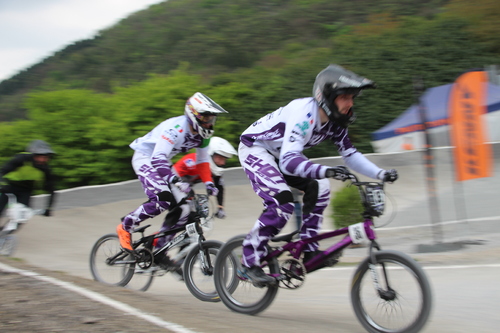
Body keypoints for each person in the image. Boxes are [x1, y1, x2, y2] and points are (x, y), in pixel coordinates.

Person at [238, 64, 398, 284]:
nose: (350, 103)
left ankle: (309, 249)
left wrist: (381, 174)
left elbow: (350, 155)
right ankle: (249, 261)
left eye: (353, 98)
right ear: (327, 97)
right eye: (345, 98)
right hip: (256, 149)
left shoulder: (335, 123)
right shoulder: (303, 114)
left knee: (320, 187)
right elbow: (288, 160)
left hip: (280, 155)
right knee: (282, 202)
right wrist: (326, 170)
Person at [116, 92, 229, 269]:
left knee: (184, 208)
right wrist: (175, 180)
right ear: (194, 115)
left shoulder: (203, 136)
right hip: (146, 157)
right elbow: (157, 159)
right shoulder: (175, 128)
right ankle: (126, 226)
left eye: (212, 119)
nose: (209, 123)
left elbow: (202, 162)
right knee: (162, 199)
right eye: (206, 118)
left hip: (162, 161)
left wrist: (209, 182)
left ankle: (158, 250)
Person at [173, 136, 237, 219]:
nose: (222, 163)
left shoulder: (215, 170)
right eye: (220, 158)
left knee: (197, 208)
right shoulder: (191, 161)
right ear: (209, 154)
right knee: (186, 209)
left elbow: (219, 187)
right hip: (170, 186)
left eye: (224, 159)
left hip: (185, 188)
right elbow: (171, 175)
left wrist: (220, 207)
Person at [0, 140, 57, 220]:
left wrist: (49, 208)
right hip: (9, 186)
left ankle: (7, 231)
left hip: (25, 190)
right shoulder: (21, 159)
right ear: (34, 155)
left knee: (22, 216)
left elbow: (52, 190)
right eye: (41, 157)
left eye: (45, 157)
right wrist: (2, 184)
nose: (43, 160)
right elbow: (2, 171)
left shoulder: (45, 169)